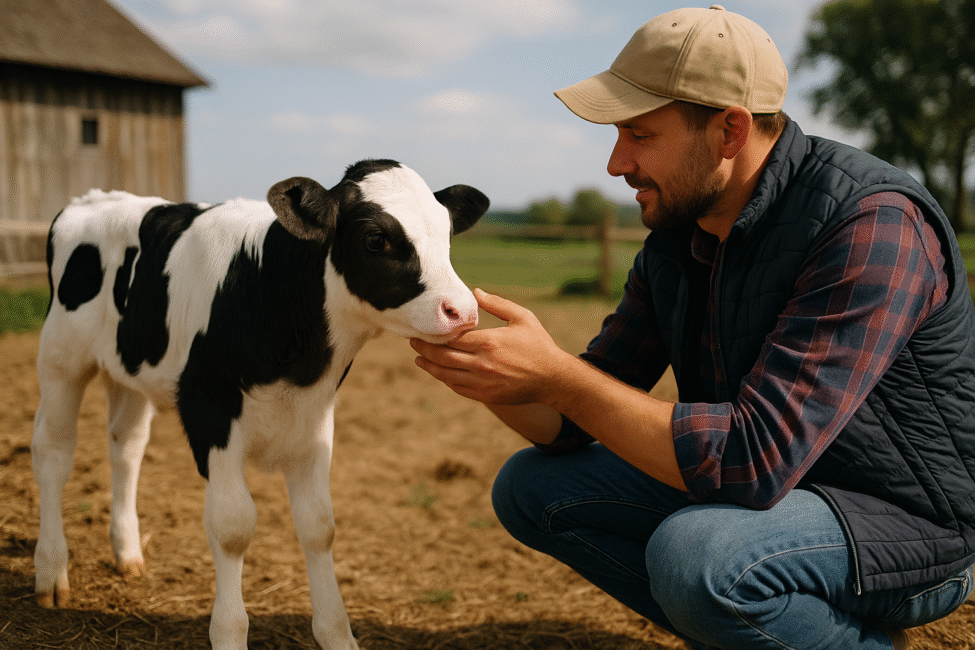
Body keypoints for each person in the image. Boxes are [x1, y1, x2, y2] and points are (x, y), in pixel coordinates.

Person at [410, 5, 975, 649]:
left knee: (701, 558)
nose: (616, 163)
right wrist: (486, 370)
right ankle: (796, 633)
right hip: (777, 503)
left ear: (730, 131)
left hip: (909, 528)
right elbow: (572, 421)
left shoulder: (870, 226)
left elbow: (751, 459)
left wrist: (558, 374)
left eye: (640, 136)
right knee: (533, 486)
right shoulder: (679, 238)